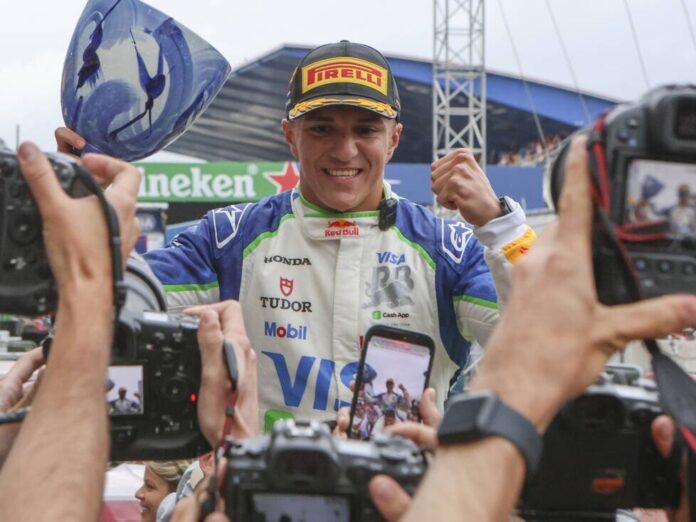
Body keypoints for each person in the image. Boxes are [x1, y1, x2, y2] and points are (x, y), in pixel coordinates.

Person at [58, 41, 536, 429]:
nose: (345, 150)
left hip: (405, 500)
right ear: (291, 136)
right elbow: (107, 302)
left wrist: (501, 226)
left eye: (366, 130)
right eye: (322, 129)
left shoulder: (448, 249)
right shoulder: (228, 240)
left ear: (392, 140)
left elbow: (546, 342)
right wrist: (77, 201)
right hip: (260, 496)